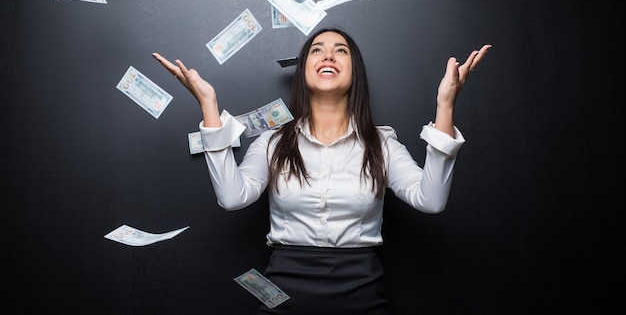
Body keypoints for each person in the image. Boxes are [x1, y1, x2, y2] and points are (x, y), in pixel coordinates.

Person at [152, 27, 491, 315]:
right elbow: (231, 197)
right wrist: (209, 107)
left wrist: (446, 105)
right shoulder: (272, 142)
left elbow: (430, 200)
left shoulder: (382, 144)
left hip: (363, 293)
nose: (328, 56)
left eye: (340, 51)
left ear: (354, 71)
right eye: (317, 50)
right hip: (283, 294)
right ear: (303, 70)